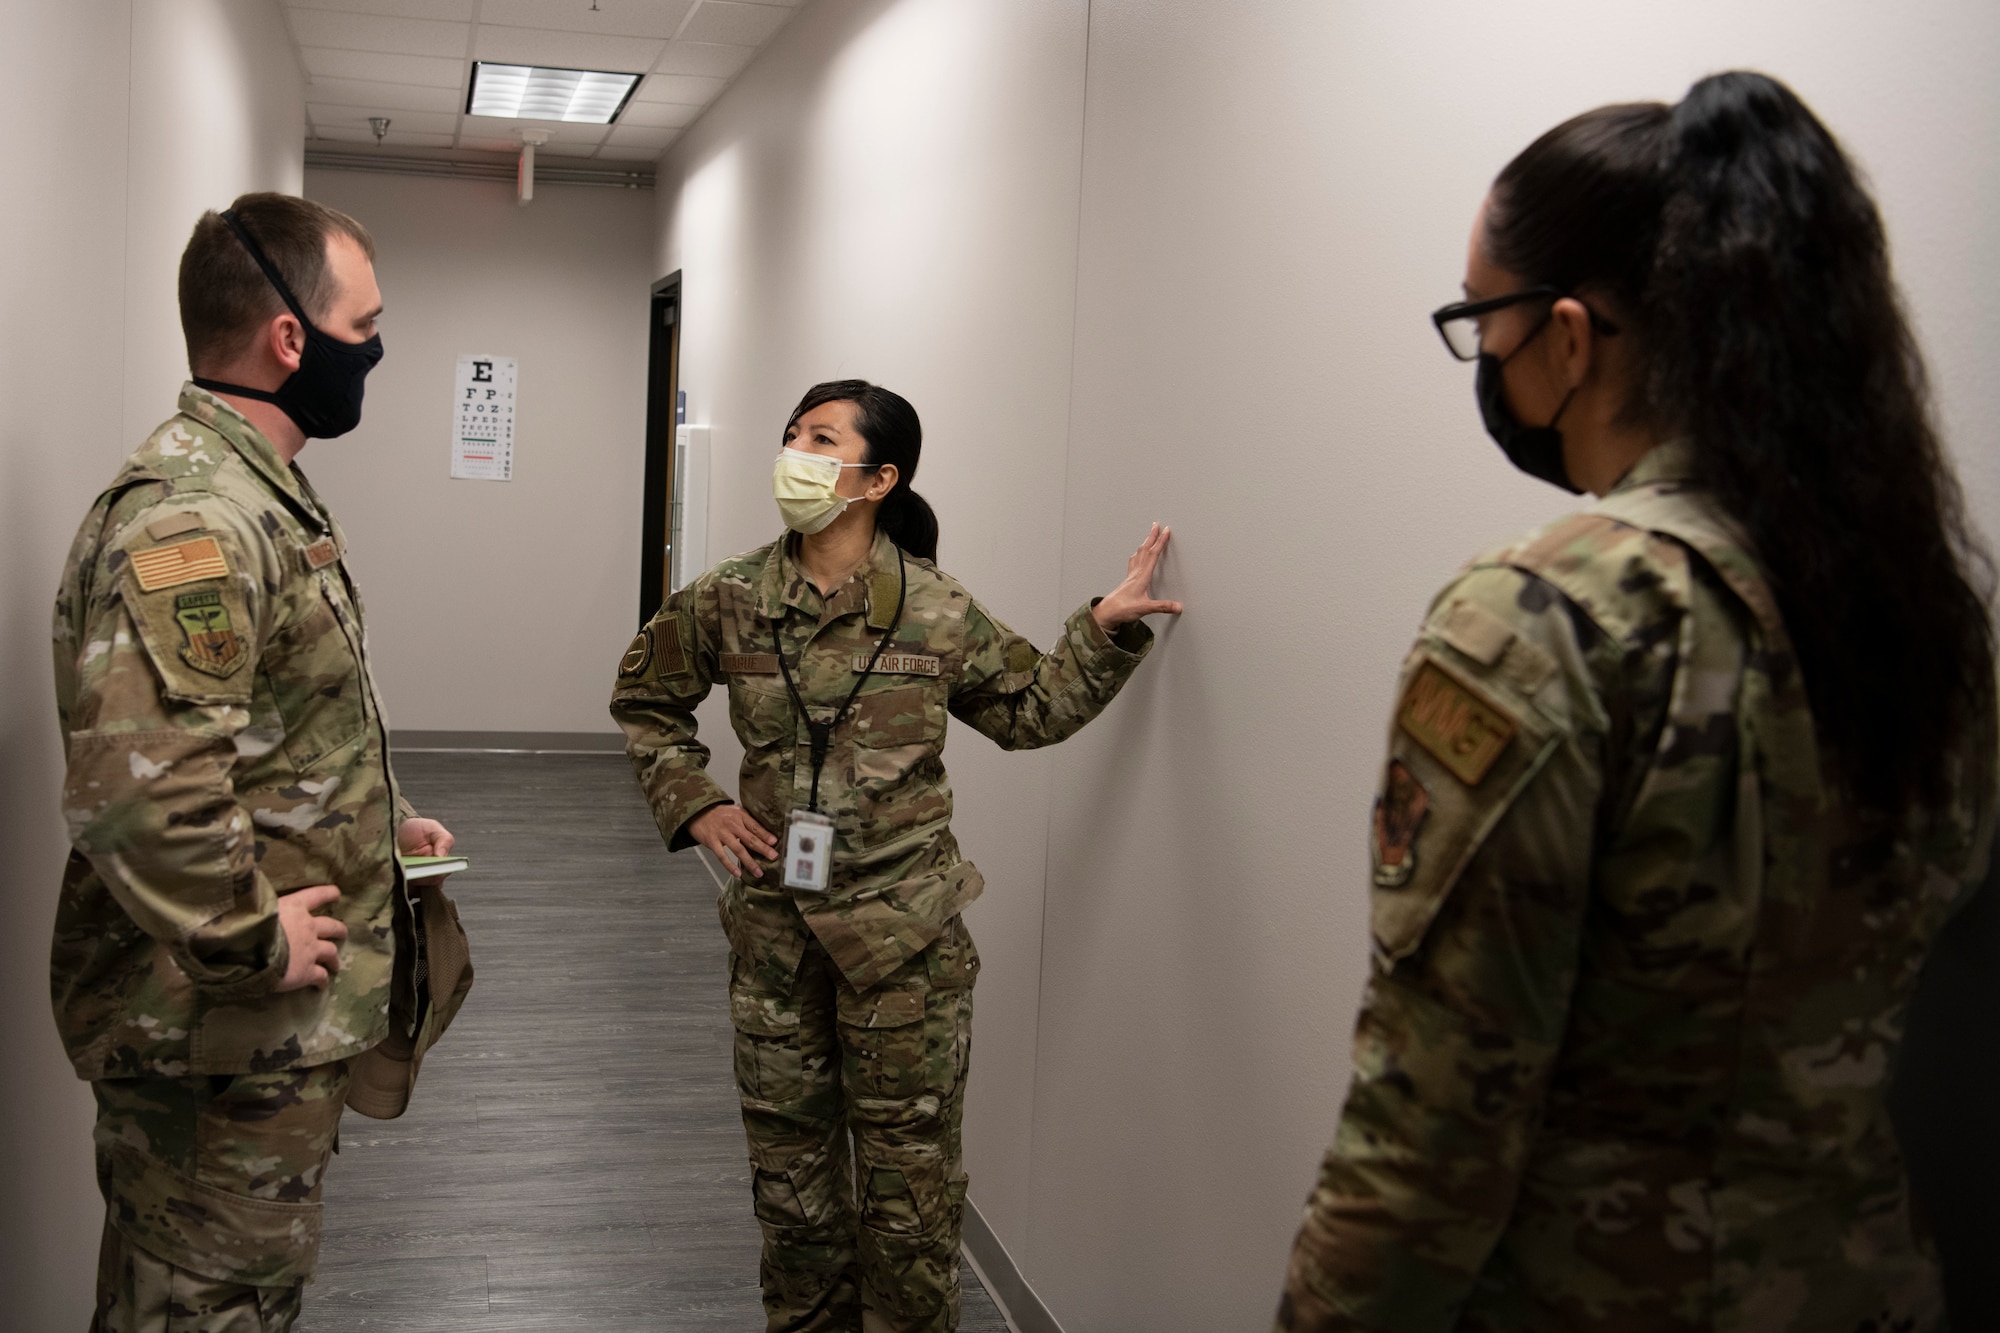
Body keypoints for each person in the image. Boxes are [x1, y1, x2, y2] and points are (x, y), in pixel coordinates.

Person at [1276, 72, 1996, 1331]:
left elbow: (1434, 1114)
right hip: (1864, 1283)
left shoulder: (1543, 615)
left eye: (1479, 323)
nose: (1484, 361)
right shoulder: (1922, 612)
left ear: (1565, 335)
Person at [611, 380, 1181, 1332]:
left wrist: (1103, 629)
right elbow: (647, 703)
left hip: (904, 945)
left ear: (879, 478)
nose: (793, 450)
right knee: (792, 1186)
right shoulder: (730, 597)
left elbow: (1028, 710)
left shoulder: (938, 609)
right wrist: (696, 802)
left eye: (821, 437)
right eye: (793, 432)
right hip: (776, 938)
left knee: (910, 1195)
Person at [52, 192, 455, 1331]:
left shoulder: (258, 494)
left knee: (215, 1293)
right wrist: (245, 934)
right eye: (363, 325)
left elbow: (269, 727)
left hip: (247, 1036)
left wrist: (386, 824)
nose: (371, 351)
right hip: (210, 1035)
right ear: (292, 339)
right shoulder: (196, 516)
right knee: (202, 1302)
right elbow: (145, 793)